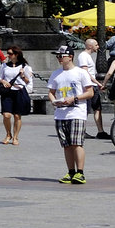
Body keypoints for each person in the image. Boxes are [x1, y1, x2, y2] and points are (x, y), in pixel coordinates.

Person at [47, 45, 95, 184]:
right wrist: (54, 101)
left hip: (77, 112)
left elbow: (90, 92)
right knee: (66, 144)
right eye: (57, 56)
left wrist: (74, 99)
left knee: (76, 143)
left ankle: (80, 173)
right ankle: (70, 172)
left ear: (70, 56)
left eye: (61, 56)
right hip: (60, 113)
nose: (59, 58)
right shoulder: (56, 73)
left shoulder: (80, 73)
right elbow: (51, 92)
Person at [0, 46, 33, 145]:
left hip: (19, 91)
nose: (8, 55)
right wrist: (3, 81)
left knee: (17, 116)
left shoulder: (24, 66)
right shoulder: (4, 65)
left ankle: (16, 136)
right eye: (8, 53)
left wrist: (22, 75)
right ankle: (8, 134)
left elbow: (27, 81)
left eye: (10, 53)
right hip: (7, 91)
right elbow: (0, 77)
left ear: (16, 54)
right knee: (6, 115)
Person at [77, 38, 106, 138]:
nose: (98, 47)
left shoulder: (88, 56)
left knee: (97, 108)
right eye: (96, 45)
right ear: (90, 46)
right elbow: (85, 72)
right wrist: (97, 82)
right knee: (85, 109)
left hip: (93, 86)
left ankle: (101, 131)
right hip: (88, 86)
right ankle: (81, 130)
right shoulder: (83, 56)